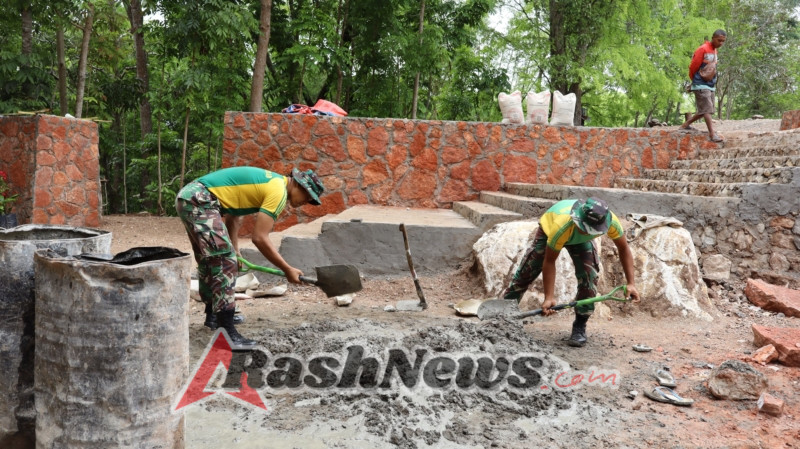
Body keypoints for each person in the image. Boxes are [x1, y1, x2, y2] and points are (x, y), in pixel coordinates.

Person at [176, 166, 324, 349]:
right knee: (224, 263)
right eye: (308, 196)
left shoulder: (271, 183)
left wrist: (236, 249)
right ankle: (226, 333)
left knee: (211, 260)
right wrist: (287, 269)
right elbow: (260, 238)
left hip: (191, 197)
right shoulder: (278, 192)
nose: (307, 202)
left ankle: (213, 316)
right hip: (201, 199)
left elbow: (233, 217)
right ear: (299, 186)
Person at [500, 198, 641, 347]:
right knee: (527, 270)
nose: (587, 232)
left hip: (579, 241)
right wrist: (549, 297)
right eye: (584, 228)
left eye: (591, 230)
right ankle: (502, 316)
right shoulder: (562, 227)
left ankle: (580, 325)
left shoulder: (610, 222)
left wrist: (631, 283)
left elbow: (624, 248)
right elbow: (549, 261)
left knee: (589, 274)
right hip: (550, 231)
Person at [679, 30, 727, 142]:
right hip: (700, 83)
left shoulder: (715, 51)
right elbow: (693, 66)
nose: (721, 43)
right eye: (719, 40)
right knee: (707, 109)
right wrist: (695, 80)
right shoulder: (703, 49)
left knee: (707, 110)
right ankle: (712, 134)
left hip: (710, 84)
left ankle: (685, 125)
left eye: (723, 41)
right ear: (713, 38)